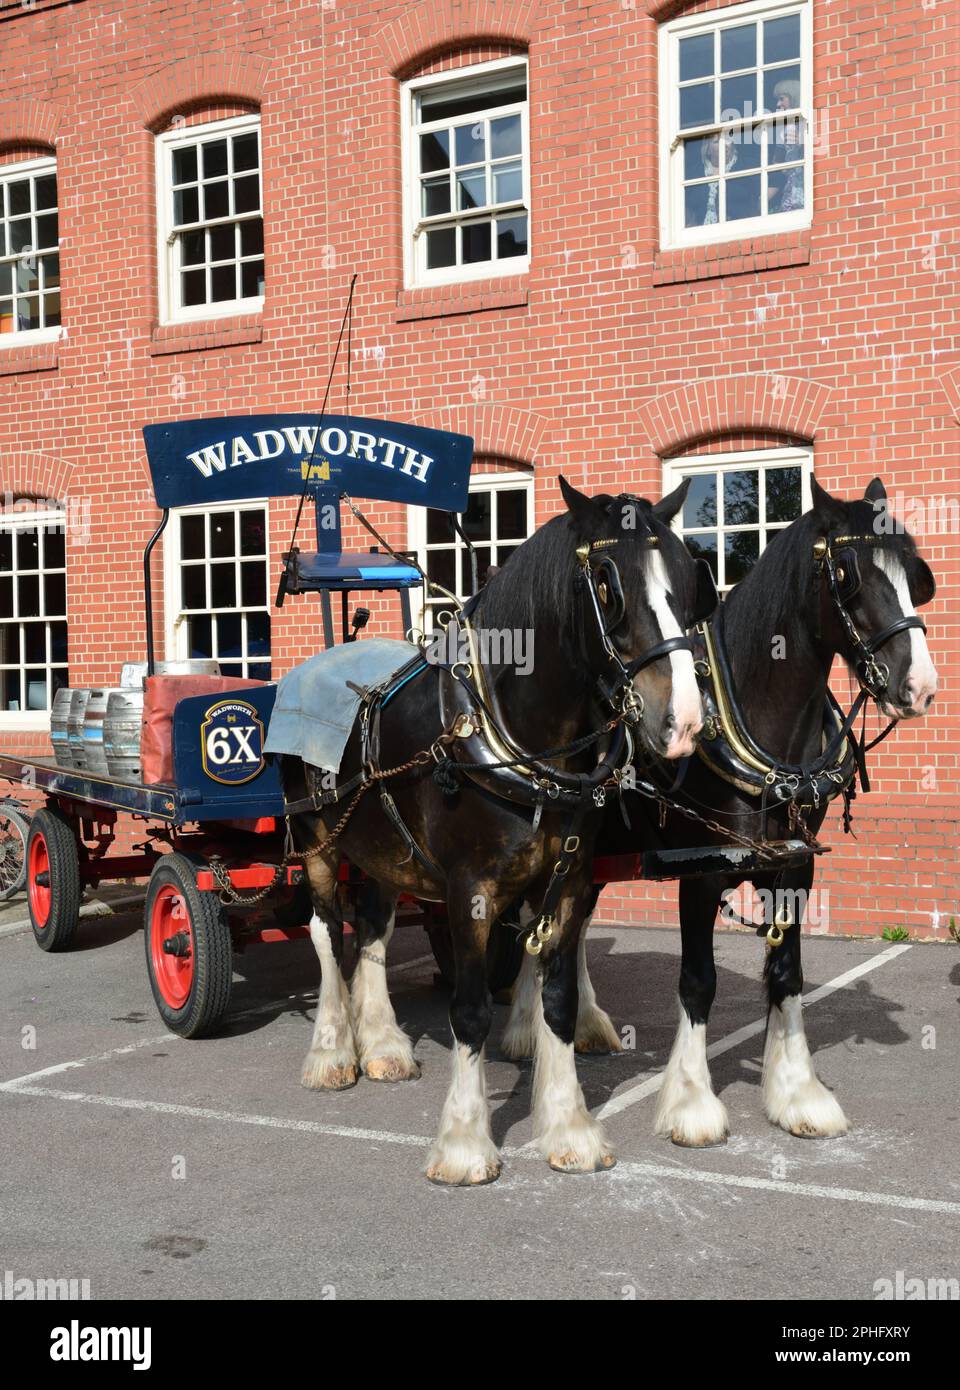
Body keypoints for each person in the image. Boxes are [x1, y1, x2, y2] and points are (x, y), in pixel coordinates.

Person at [767, 77, 804, 212]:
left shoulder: (809, 123)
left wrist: (801, 143)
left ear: (793, 97)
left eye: (782, 99)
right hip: (790, 190)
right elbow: (777, 166)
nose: (778, 104)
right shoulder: (784, 129)